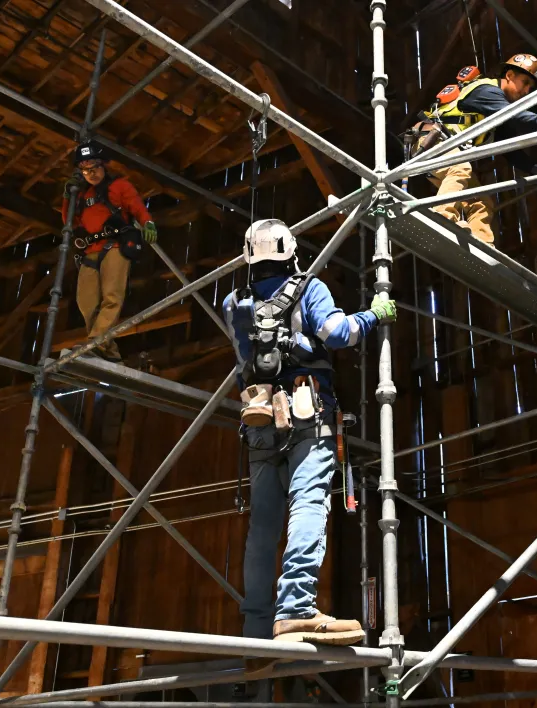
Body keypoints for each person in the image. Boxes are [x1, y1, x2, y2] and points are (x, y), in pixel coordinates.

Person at [223, 219, 397, 654]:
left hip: (259, 419)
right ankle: (297, 608)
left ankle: (256, 632)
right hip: (307, 411)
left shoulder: (233, 302)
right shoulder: (309, 289)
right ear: (289, 251)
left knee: (262, 526)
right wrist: (374, 314)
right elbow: (340, 334)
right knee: (308, 503)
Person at [419, 53, 537, 246]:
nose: (526, 91)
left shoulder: (492, 113)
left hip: (446, 153)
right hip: (432, 144)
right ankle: (442, 217)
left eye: (530, 87)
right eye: (524, 83)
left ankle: (482, 245)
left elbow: (508, 146)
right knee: (461, 168)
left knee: (481, 202)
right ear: (509, 75)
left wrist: (534, 168)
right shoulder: (486, 91)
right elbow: (515, 116)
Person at [62, 141, 158, 363]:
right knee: (85, 301)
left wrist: (148, 223)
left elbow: (136, 206)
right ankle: (108, 350)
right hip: (89, 250)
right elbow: (68, 221)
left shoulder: (120, 186)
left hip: (115, 245)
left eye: (94, 167)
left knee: (112, 296)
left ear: (103, 165)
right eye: (85, 170)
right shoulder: (82, 195)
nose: (91, 173)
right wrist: (69, 195)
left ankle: (96, 342)